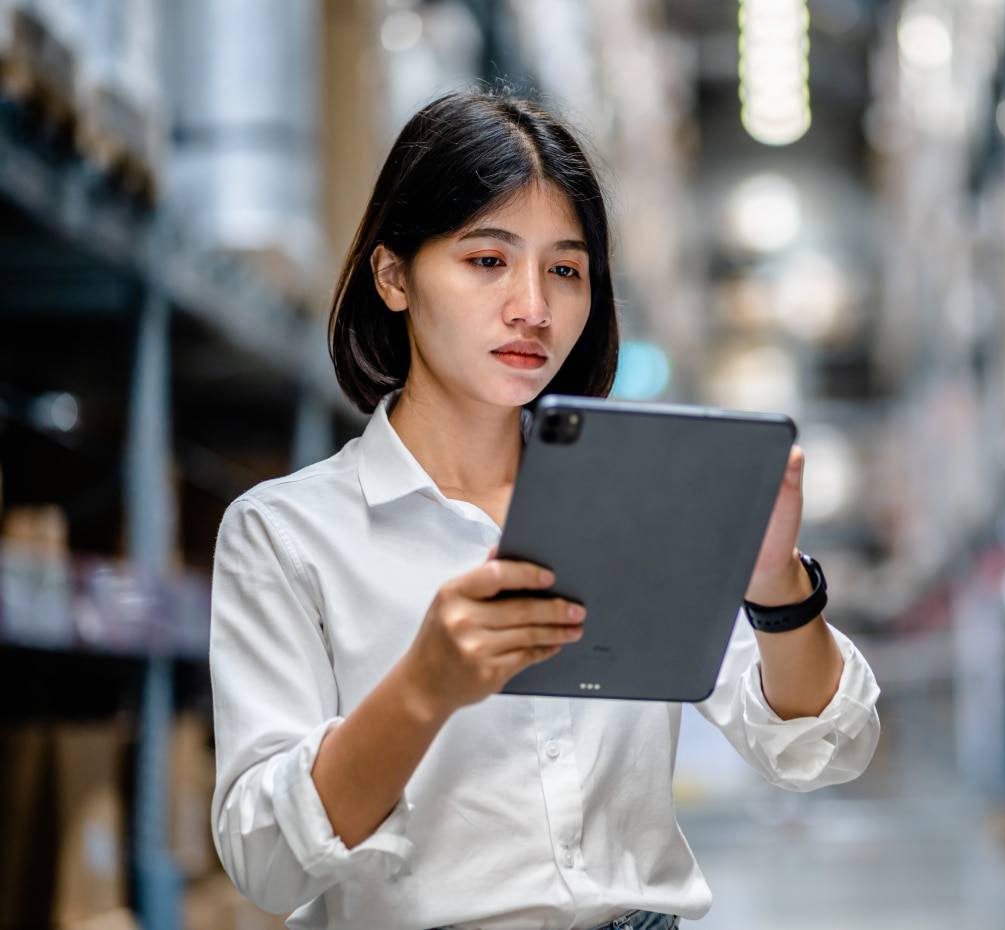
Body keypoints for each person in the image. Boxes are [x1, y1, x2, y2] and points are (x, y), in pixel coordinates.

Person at [208, 86, 882, 930]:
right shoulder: (287, 535)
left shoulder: (636, 506)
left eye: (565, 270)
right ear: (393, 277)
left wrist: (775, 581)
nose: (533, 306)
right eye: (487, 260)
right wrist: (423, 688)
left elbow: (821, 750)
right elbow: (265, 861)